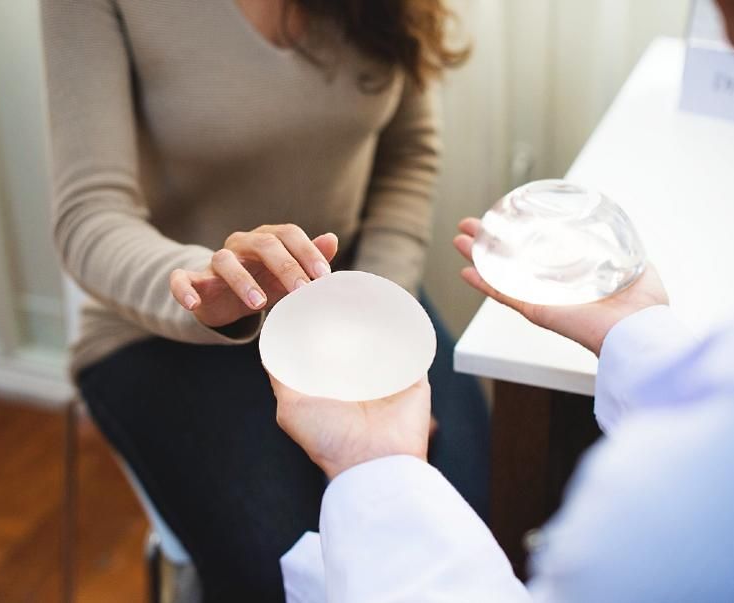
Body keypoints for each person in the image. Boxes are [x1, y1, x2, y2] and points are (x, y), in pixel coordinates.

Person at [272, 8, 734, 598]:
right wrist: (637, 331)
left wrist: (375, 467)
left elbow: (410, 153)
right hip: (207, 327)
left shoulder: (651, 517)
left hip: (362, 299)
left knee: (481, 487)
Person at [41, 1, 489, 600]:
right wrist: (200, 285)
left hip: (344, 298)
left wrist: (376, 323)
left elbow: (408, 155)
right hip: (166, 332)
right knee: (287, 575)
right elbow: (88, 215)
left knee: (467, 516)